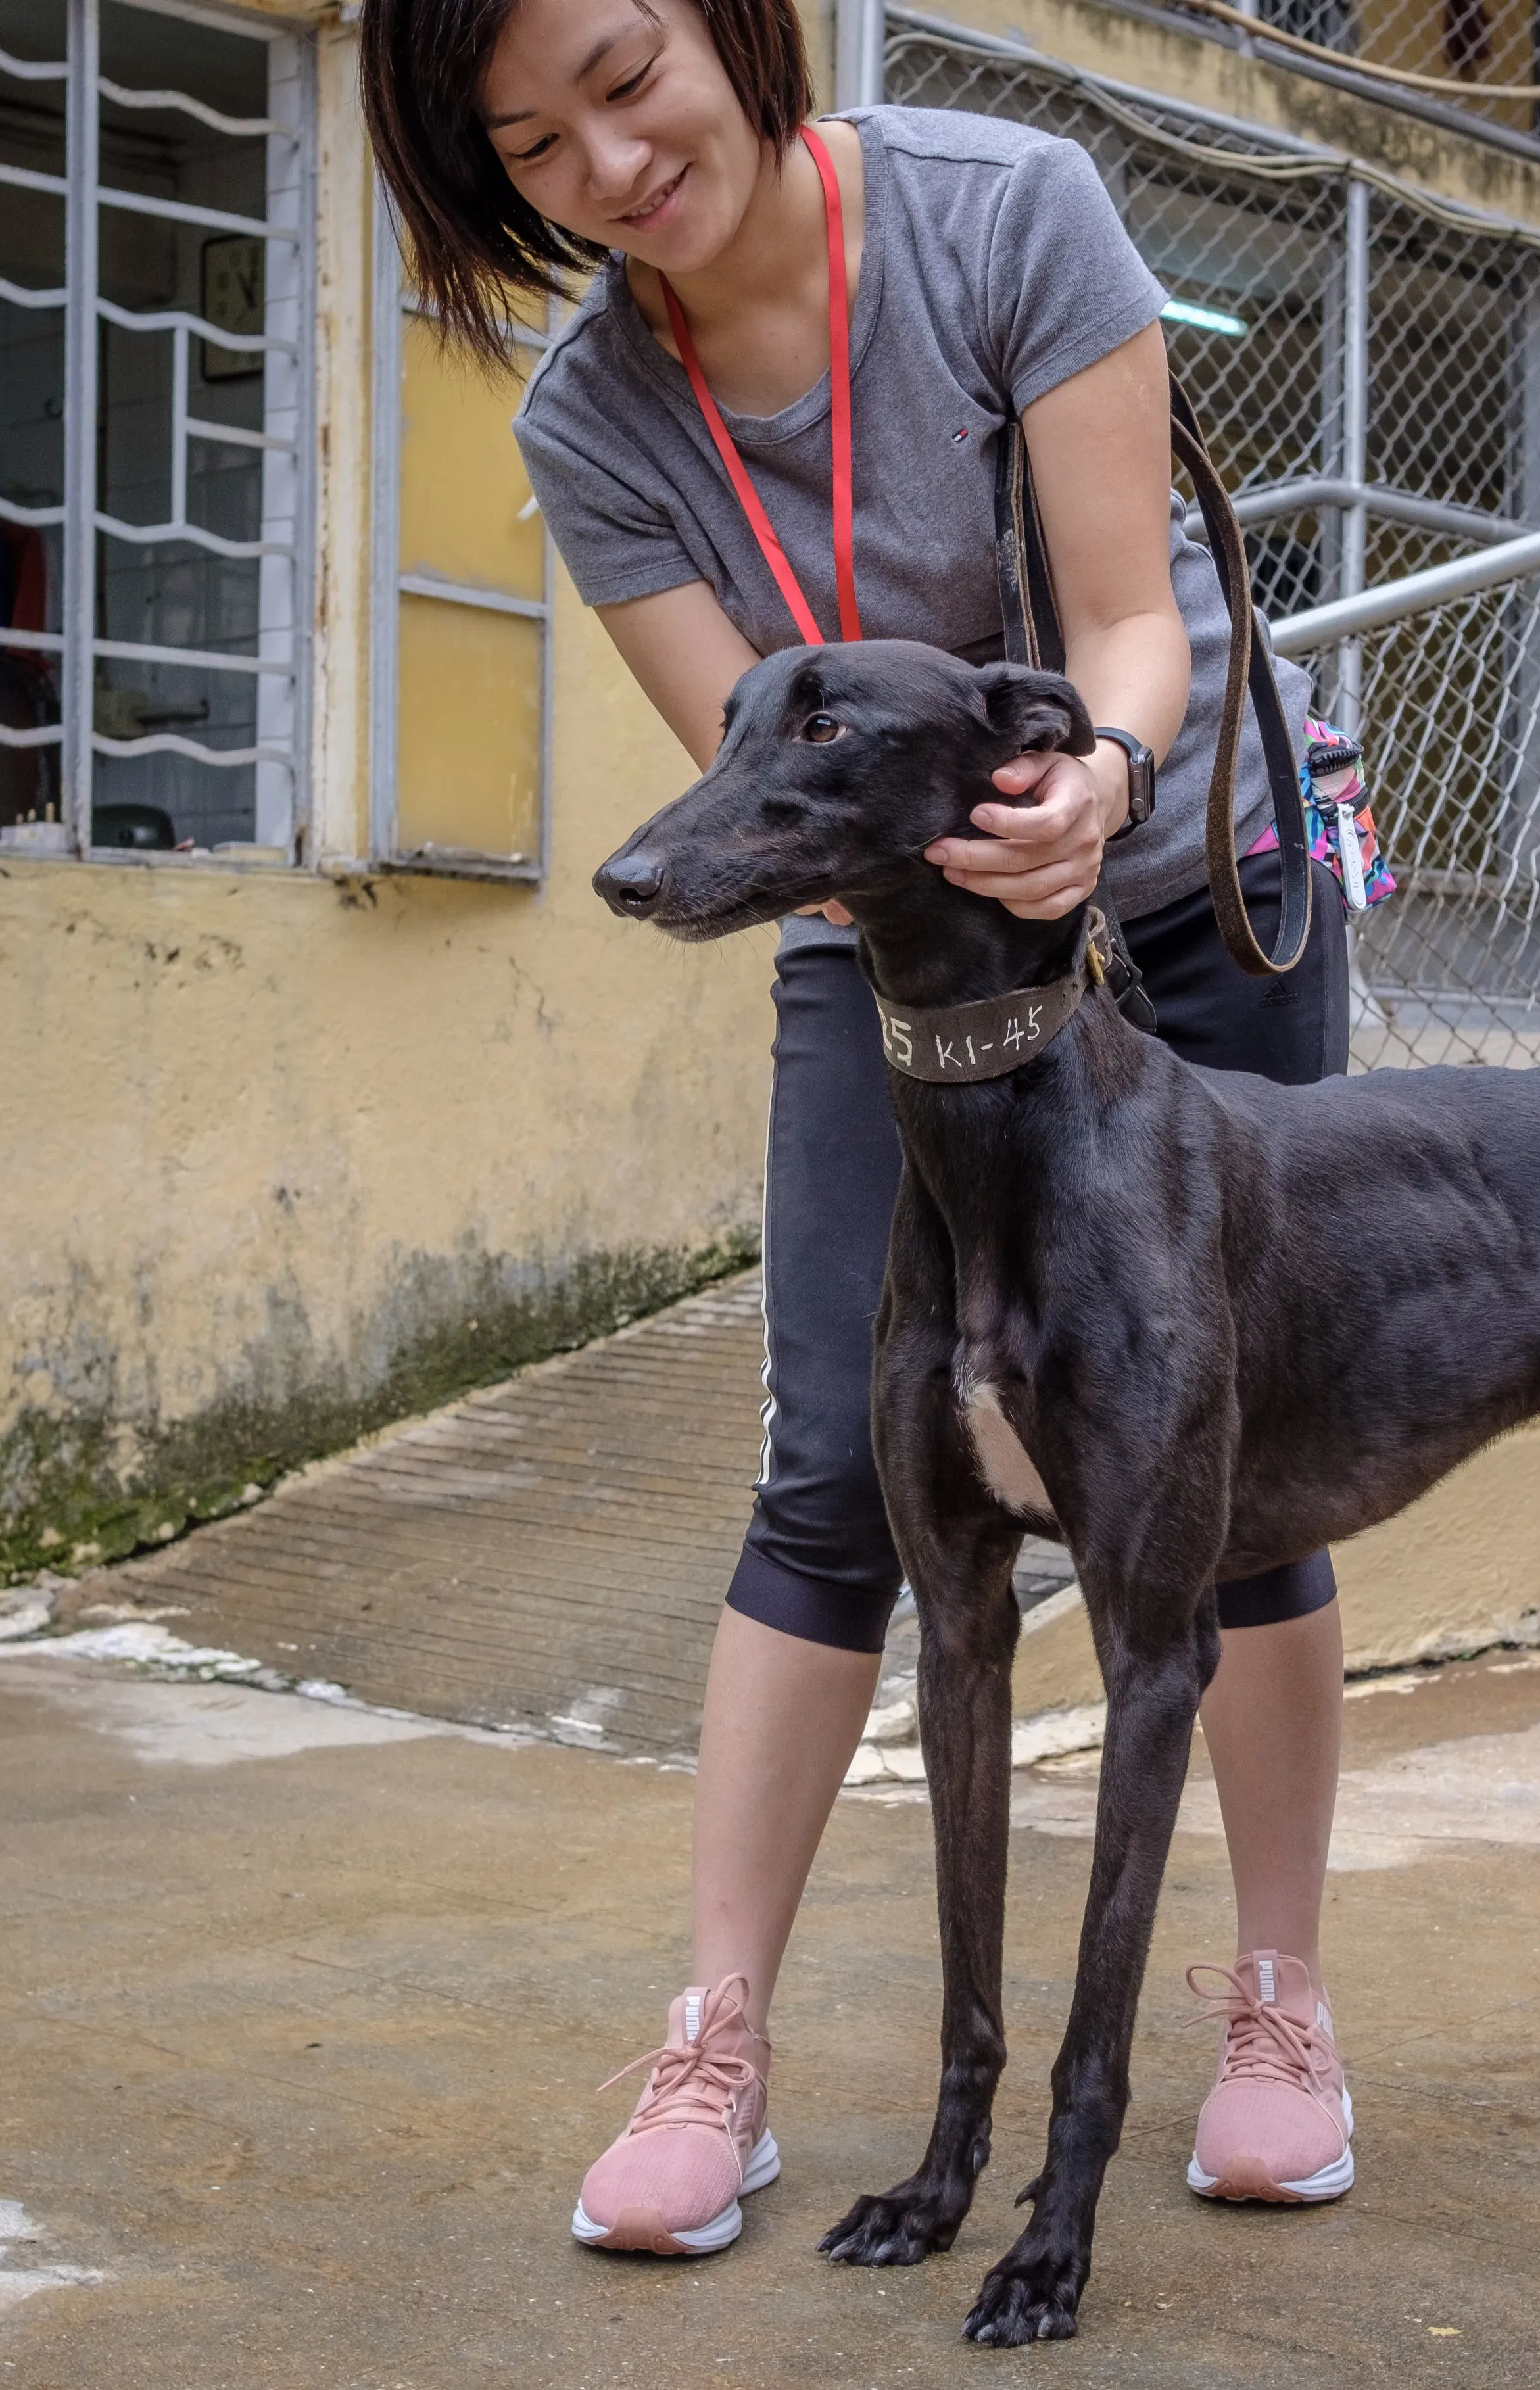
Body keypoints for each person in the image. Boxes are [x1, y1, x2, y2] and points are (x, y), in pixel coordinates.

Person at [360, 0, 1369, 2256]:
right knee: (835, 1458)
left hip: (1187, 851)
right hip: (886, 933)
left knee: (1228, 1454)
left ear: (728, 30)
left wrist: (1090, 797)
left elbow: (1127, 625)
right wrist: (897, 882)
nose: (610, 163)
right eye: (530, 146)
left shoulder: (1006, 214)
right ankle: (719, 2040)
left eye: (628, 79)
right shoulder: (594, 419)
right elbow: (752, 780)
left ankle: (1280, 2001)